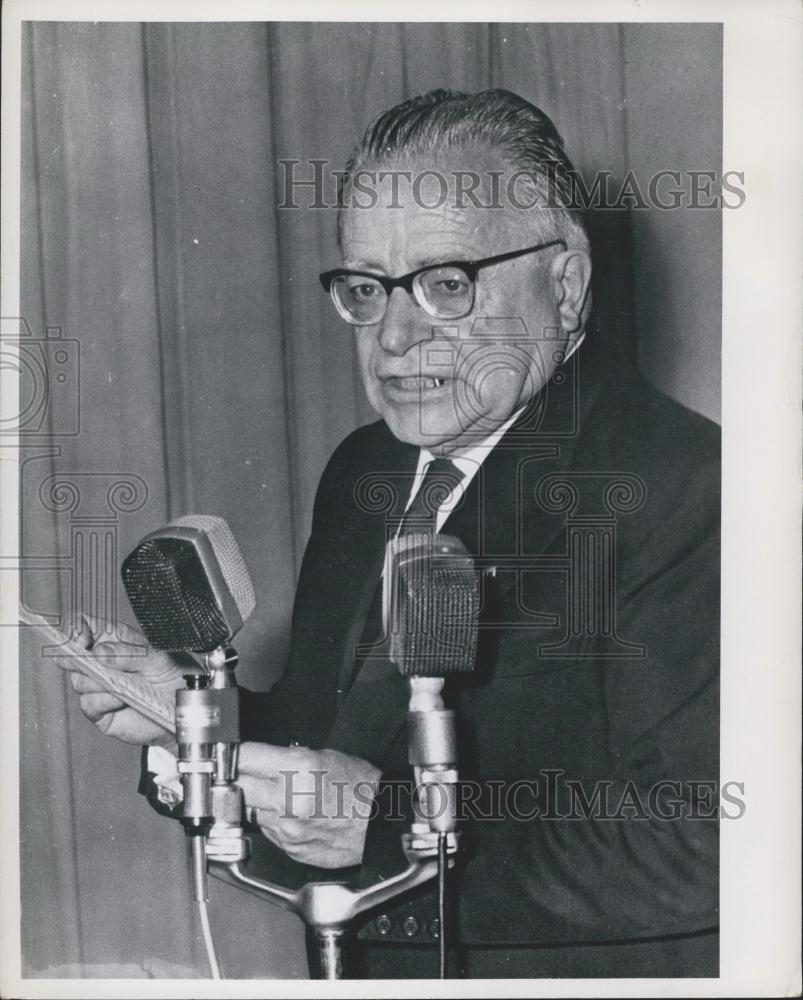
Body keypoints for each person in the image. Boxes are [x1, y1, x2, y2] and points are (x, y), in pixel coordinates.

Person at [60, 89, 720, 978]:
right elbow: (335, 741)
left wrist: (385, 822)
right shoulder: (366, 470)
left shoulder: (683, 484)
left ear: (564, 284)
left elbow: (705, 845)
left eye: (446, 285)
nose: (396, 336)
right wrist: (194, 715)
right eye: (367, 289)